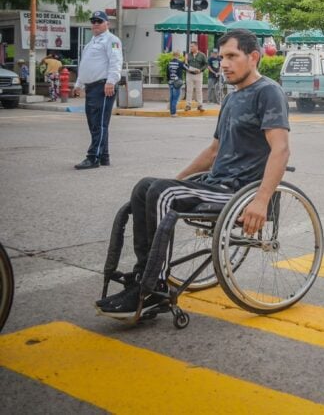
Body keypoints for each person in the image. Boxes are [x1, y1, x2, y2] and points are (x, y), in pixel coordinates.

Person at [94, 29, 290, 318]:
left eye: (232, 56)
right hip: (214, 183)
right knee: (145, 187)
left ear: (254, 57)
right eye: (221, 57)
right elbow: (213, 152)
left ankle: (152, 288)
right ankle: (141, 276)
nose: (223, 63)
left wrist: (261, 200)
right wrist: (177, 180)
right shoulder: (232, 98)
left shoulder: (268, 92)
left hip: (238, 191)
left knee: (161, 191)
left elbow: (281, 150)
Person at [73, 11, 123, 169]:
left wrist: (111, 81)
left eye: (99, 21)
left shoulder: (112, 40)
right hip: (91, 87)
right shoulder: (91, 43)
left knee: (99, 124)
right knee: (95, 123)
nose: (95, 24)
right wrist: (78, 84)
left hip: (103, 86)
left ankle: (93, 157)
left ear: (107, 23)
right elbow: (85, 65)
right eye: (93, 21)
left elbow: (116, 61)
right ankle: (104, 156)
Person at [184, 41, 207, 112]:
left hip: (198, 74)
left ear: (196, 47)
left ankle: (200, 105)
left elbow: (206, 64)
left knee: (199, 90)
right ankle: (188, 105)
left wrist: (200, 70)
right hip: (189, 74)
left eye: (192, 46)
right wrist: (185, 61)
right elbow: (185, 64)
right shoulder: (188, 55)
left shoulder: (202, 55)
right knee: (189, 90)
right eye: (190, 46)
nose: (191, 48)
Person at [166, 51, 185, 116]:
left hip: (170, 82)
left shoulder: (169, 63)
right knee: (175, 98)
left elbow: (167, 73)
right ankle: (173, 113)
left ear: (172, 55)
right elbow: (186, 68)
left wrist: (169, 81)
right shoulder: (179, 63)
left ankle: (172, 112)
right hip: (177, 83)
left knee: (171, 98)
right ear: (178, 55)